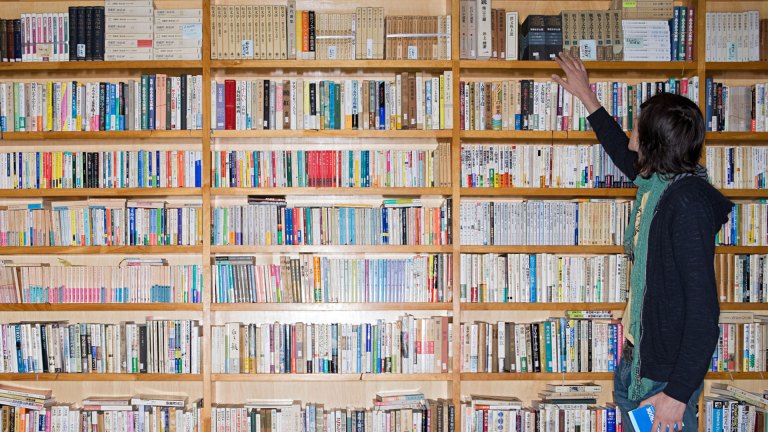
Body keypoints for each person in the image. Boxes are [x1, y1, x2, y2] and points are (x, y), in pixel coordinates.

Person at [553, 52, 733, 432]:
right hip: (640, 367)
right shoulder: (660, 183)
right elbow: (622, 152)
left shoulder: (686, 205)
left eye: (637, 126)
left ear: (653, 143)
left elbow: (704, 313)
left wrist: (678, 394)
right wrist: (588, 98)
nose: (631, 131)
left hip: (663, 382)